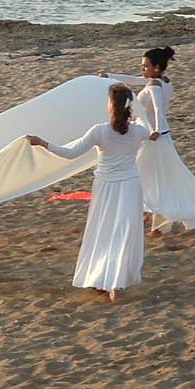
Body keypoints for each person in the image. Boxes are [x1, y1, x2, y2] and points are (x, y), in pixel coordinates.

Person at [27, 83, 157, 303]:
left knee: (105, 232)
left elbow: (70, 153)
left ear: (110, 105)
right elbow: (148, 129)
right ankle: (113, 282)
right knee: (123, 233)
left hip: (108, 186)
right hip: (129, 185)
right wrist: (137, 118)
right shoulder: (137, 130)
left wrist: (42, 143)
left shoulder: (100, 131)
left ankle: (107, 280)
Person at [99, 46, 195, 236]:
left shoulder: (155, 85)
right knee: (154, 174)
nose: (142, 69)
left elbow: (158, 109)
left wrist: (156, 131)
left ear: (156, 67)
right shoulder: (164, 80)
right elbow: (135, 80)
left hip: (152, 135)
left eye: (145, 66)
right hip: (156, 134)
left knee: (143, 172)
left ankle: (148, 212)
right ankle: (154, 220)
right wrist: (110, 76)